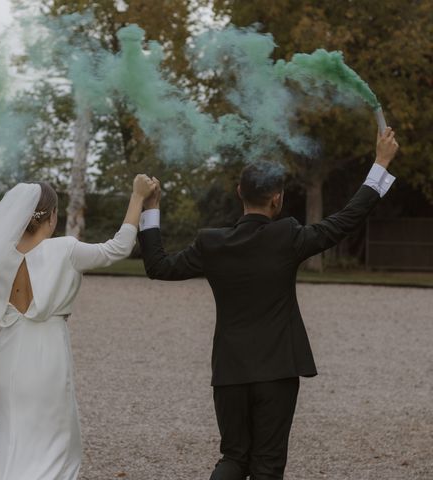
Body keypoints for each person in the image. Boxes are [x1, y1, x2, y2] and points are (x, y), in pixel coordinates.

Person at [137, 128, 399, 479]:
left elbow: (158, 266)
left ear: (239, 193)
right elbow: (345, 222)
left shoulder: (211, 243)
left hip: (230, 371)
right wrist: (380, 163)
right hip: (278, 370)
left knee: (232, 458)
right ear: (277, 198)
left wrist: (150, 207)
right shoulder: (287, 236)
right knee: (268, 464)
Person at [0, 174, 155, 479]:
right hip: (47, 355)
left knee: (12, 443)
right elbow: (117, 248)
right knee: (55, 446)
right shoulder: (66, 249)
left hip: (7, 355)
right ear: (51, 216)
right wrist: (137, 197)